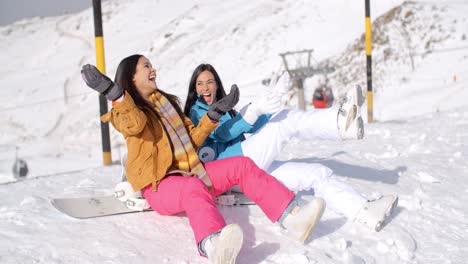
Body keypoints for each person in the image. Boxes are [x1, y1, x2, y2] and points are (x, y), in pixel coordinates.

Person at [80, 55, 326, 264]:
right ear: (132, 78)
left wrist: (214, 114)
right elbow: (136, 123)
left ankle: (291, 218)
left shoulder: (168, 102)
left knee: (241, 165)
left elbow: (192, 138)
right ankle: (212, 243)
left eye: (151, 65)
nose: (153, 69)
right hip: (159, 187)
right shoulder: (126, 111)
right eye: (146, 66)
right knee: (192, 187)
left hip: (192, 171)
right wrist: (115, 94)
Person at [183, 63, 398, 232]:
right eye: (200, 83)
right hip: (233, 167)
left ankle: (364, 210)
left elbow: (248, 127)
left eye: (210, 82)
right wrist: (254, 110)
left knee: (316, 173)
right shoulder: (197, 112)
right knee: (285, 121)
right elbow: (221, 133)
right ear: (194, 88)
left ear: (216, 84)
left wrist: (270, 103)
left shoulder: (224, 107)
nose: (205, 88)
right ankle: (339, 123)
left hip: (248, 167)